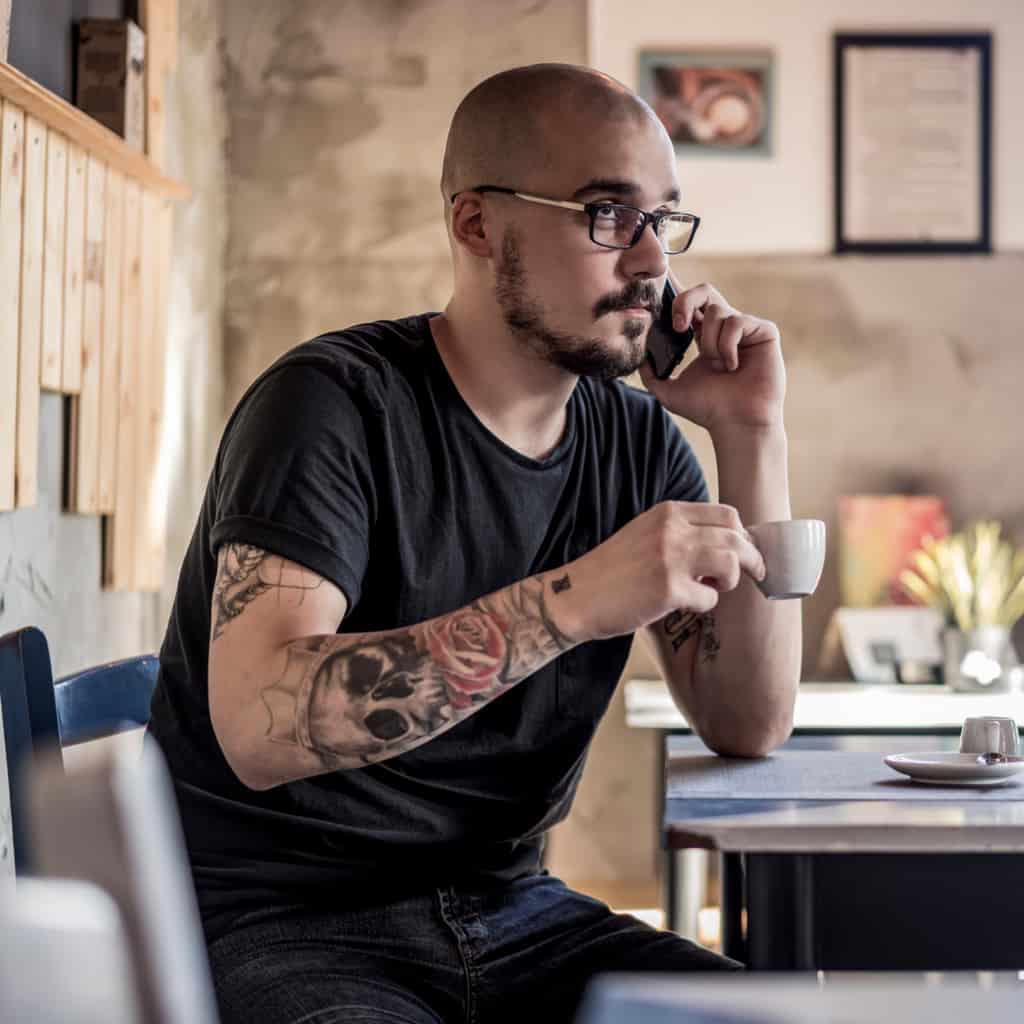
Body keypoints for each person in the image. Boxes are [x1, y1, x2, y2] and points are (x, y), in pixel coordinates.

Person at [148, 62, 801, 1024]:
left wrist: (751, 435)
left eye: (664, 218)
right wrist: (576, 600)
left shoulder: (637, 444)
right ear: (476, 224)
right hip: (284, 924)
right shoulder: (330, 404)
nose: (653, 262)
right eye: (607, 214)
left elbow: (749, 722)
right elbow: (259, 726)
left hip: (516, 917)